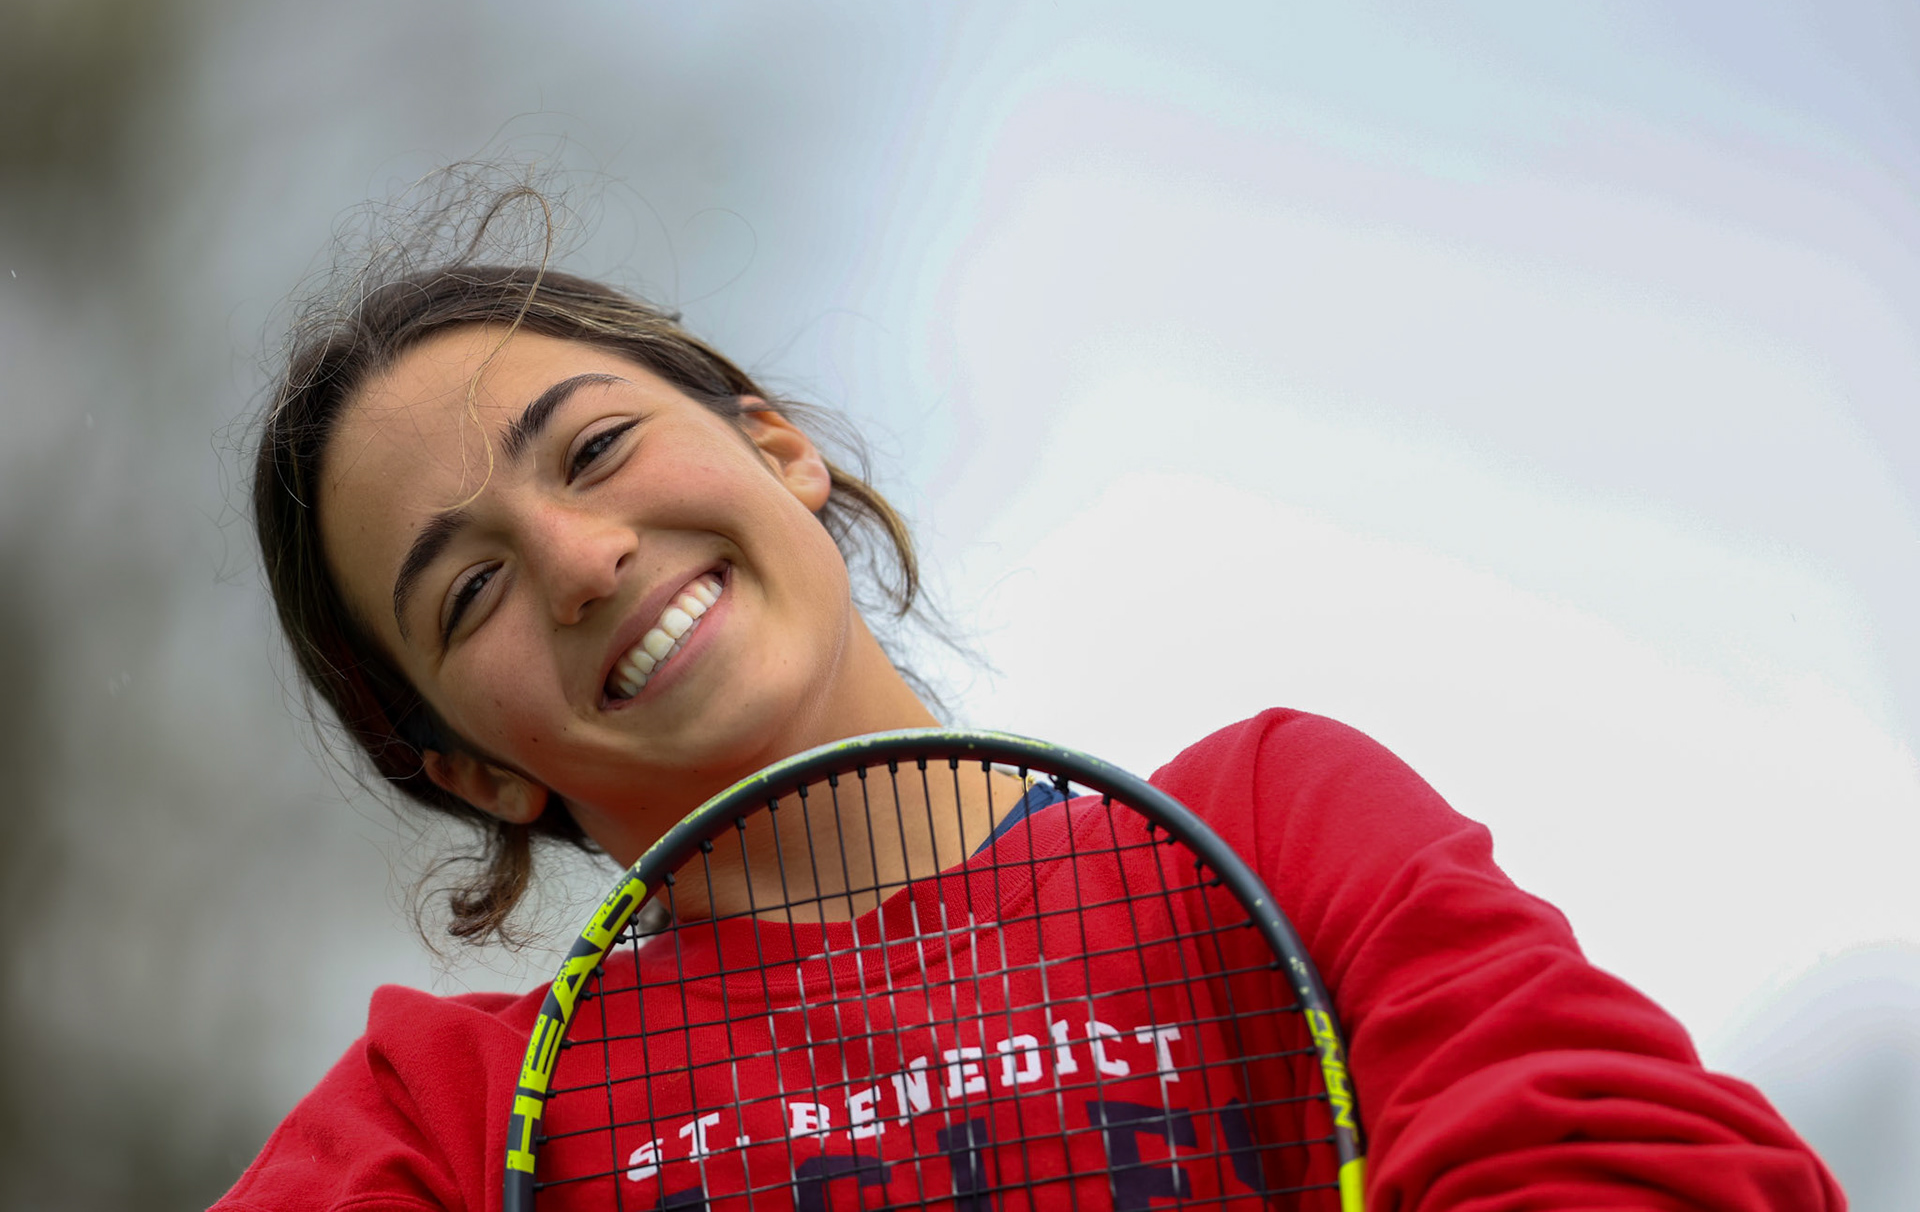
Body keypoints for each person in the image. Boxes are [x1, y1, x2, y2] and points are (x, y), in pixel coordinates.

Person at [215, 183, 1844, 1211]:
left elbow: (1650, 1165)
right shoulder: (448, 1112)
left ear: (781, 446)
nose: (581, 556)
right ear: (471, 770)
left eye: (594, 448)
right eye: (471, 589)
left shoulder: (1269, 824)